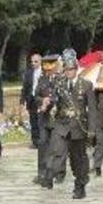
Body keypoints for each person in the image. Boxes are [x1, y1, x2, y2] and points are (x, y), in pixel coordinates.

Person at [48, 53, 93, 199]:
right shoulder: (59, 84)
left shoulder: (85, 85)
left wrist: (92, 129)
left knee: (77, 158)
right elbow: (54, 101)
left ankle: (80, 184)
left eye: (71, 69)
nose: (69, 72)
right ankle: (55, 172)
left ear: (76, 70)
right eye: (66, 69)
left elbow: (92, 108)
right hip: (62, 124)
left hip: (78, 126)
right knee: (57, 149)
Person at [34, 53, 60, 187]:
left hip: (56, 119)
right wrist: (41, 100)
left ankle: (54, 172)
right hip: (44, 119)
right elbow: (36, 95)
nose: (48, 70)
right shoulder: (42, 79)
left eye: (51, 67)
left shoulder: (61, 79)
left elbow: (63, 97)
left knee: (55, 147)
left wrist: (50, 101)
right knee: (42, 144)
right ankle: (41, 173)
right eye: (46, 67)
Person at [20, 53, 43, 148]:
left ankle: (43, 141)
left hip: (42, 100)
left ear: (40, 61)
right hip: (31, 100)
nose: (33, 63)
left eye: (35, 61)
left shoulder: (45, 72)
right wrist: (22, 101)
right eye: (32, 61)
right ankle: (35, 142)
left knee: (41, 121)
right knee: (33, 121)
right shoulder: (28, 73)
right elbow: (24, 88)